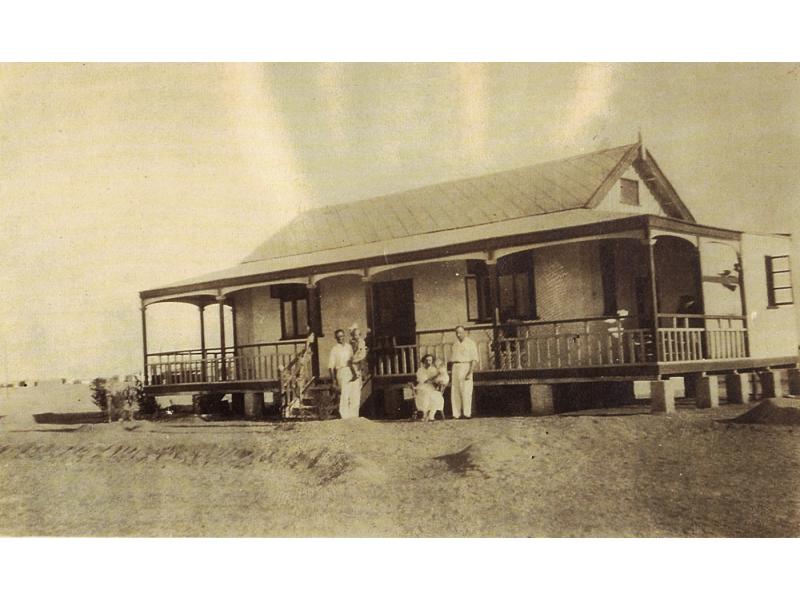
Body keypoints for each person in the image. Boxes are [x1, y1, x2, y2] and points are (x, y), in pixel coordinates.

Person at [328, 328, 360, 419]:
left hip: (350, 370)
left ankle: (354, 416)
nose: (340, 338)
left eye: (342, 336)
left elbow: (352, 360)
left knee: (354, 393)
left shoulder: (348, 347)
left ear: (344, 336)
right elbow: (330, 366)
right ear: (335, 338)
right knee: (344, 394)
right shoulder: (334, 349)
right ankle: (345, 416)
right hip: (341, 371)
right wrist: (333, 380)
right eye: (338, 337)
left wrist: (355, 372)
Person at [450, 325, 478, 419]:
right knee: (455, 391)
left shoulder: (471, 343)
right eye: (457, 333)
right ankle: (456, 414)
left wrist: (470, 372)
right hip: (456, 367)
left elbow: (474, 359)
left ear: (464, 332)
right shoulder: (455, 344)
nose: (458, 335)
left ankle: (467, 413)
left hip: (466, 366)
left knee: (466, 390)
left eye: (460, 332)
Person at [414, 354, 442, 422]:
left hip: (431, 387)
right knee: (425, 394)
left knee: (435, 397)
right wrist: (435, 376)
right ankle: (424, 414)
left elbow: (438, 380)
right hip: (422, 386)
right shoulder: (420, 370)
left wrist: (436, 379)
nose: (428, 362)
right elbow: (424, 380)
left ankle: (431, 416)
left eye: (430, 360)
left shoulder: (434, 369)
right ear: (423, 361)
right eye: (427, 360)